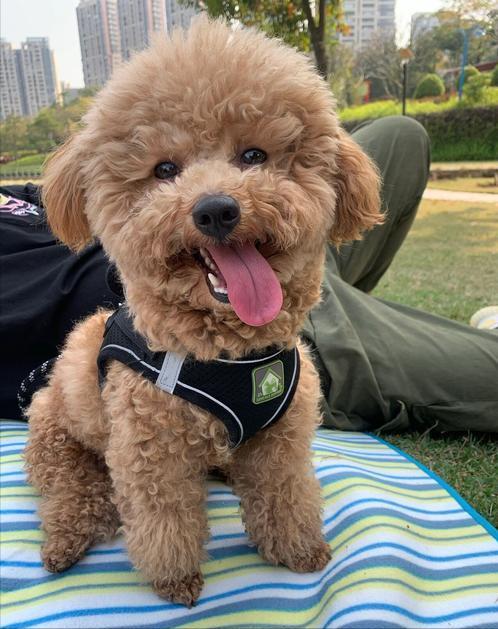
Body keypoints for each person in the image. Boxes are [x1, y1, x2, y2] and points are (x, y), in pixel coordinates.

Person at [1, 116, 497, 429]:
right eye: (166, 170)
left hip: (280, 251)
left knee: (401, 137)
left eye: (252, 155)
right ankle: (359, 334)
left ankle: (346, 306)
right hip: (216, 343)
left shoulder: (14, 197)